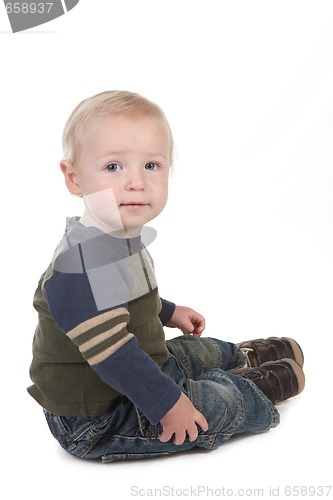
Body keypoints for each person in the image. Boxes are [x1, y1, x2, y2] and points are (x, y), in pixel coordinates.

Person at [27, 90, 305, 462]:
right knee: (204, 408)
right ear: (74, 178)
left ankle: (243, 356)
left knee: (192, 351)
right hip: (96, 414)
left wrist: (167, 312)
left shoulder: (117, 234)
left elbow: (128, 297)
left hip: (135, 365)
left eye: (152, 166)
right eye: (113, 167)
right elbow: (115, 356)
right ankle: (247, 389)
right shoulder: (81, 267)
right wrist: (167, 403)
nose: (136, 182)